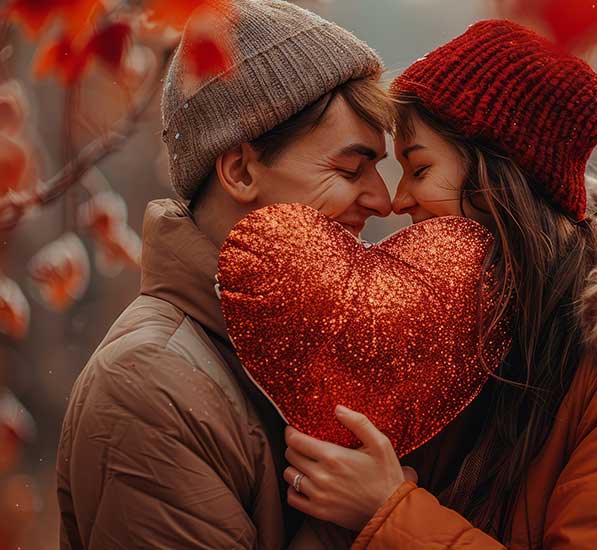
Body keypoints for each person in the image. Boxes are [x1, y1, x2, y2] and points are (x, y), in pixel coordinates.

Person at [281, 20, 597, 548]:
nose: (399, 200)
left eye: (419, 169)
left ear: (499, 178)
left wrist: (389, 514)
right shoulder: (482, 332)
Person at [55, 1, 392, 548]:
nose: (382, 199)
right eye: (350, 169)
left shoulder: (308, 350)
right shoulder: (149, 388)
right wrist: (366, 523)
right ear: (239, 170)